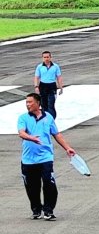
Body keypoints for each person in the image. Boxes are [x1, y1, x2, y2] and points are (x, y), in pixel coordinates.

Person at [17, 92, 76, 220]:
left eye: (30, 102)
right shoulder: (23, 118)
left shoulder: (48, 117)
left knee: (49, 184)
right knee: (32, 187)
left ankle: (48, 210)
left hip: (45, 158)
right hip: (28, 159)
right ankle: (36, 209)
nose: (27, 105)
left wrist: (67, 148)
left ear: (38, 103)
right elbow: (21, 133)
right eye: (26, 102)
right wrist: (31, 138)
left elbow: (56, 134)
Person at [33, 51, 64, 119]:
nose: (46, 59)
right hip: (43, 86)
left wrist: (61, 87)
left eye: (47, 57)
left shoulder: (55, 66)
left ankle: (52, 119)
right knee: (43, 105)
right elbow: (36, 77)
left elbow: (59, 77)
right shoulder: (39, 67)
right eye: (44, 57)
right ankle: (45, 119)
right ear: (42, 58)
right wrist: (36, 87)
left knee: (51, 104)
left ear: (50, 57)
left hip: (52, 86)